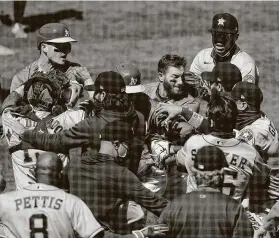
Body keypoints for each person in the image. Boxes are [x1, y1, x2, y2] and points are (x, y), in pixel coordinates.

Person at [0, 151, 168, 238]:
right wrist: (140, 234)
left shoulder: (6, 201)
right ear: (60, 175)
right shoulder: (72, 203)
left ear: (33, 172)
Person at [71, 120, 169, 234]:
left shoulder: (74, 163)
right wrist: (184, 211)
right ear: (116, 144)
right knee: (136, 212)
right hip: (100, 233)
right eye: (128, 145)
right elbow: (155, 202)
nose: (130, 151)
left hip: (72, 229)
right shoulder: (120, 173)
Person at [176, 93, 270, 212]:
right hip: (229, 217)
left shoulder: (194, 142)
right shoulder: (249, 152)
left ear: (210, 122)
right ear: (235, 121)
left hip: (194, 213)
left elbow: (180, 165)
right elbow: (263, 180)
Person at [2, 70, 77, 189]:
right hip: (58, 202)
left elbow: (8, 103)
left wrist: (29, 84)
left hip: (25, 202)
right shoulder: (67, 121)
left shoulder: (12, 120)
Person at [158, 145, 254, 238]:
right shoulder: (234, 208)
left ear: (195, 171)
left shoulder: (174, 206)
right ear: (221, 172)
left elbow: (157, 234)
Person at [139, 54, 199, 198]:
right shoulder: (143, 93)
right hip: (150, 166)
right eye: (175, 77)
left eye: (182, 77)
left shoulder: (190, 102)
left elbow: (184, 130)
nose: (180, 82)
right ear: (161, 76)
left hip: (177, 168)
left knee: (182, 214)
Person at [10, 22, 94, 107]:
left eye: (67, 47)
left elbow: (87, 98)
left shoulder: (74, 69)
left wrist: (87, 82)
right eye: (60, 47)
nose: (64, 52)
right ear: (44, 47)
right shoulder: (22, 78)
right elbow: (12, 112)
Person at [155, 62, 243, 134]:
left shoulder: (224, 109)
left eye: (210, 83)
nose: (205, 86)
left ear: (219, 86)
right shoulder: (239, 105)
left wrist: (182, 111)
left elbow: (208, 127)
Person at [190, 13, 259, 85]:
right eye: (216, 35)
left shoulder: (245, 63)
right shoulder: (202, 56)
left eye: (225, 36)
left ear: (236, 37)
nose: (219, 40)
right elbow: (191, 86)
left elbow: (246, 94)